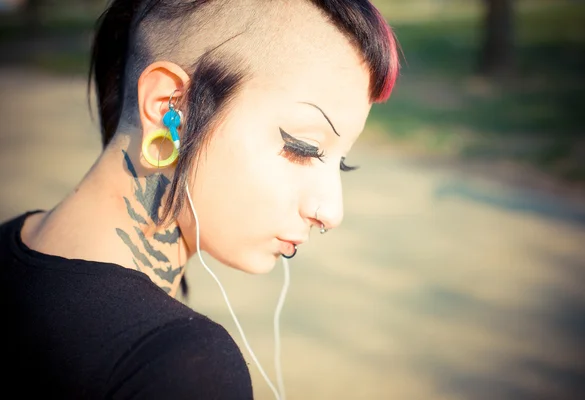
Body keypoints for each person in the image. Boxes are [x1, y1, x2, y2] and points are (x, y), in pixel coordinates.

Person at [1, 0, 399, 398]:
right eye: (303, 148)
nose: (331, 212)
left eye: (341, 164)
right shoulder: (181, 368)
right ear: (169, 106)